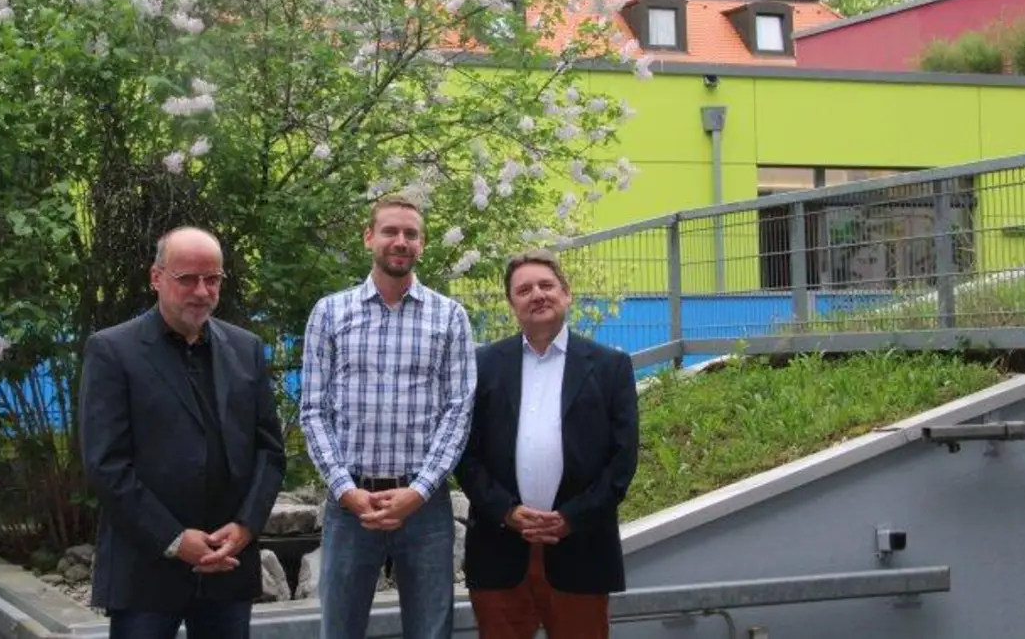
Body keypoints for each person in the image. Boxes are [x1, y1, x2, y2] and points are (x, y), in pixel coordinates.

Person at [80, 226, 286, 639]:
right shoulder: (113, 351)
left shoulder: (246, 348)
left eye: (212, 279)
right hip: (147, 569)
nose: (202, 290)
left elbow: (269, 450)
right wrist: (174, 539)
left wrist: (246, 526)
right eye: (187, 278)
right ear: (156, 278)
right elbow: (106, 464)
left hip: (230, 563)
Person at [300, 194, 478, 639]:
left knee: (431, 631)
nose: (401, 241)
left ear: (422, 243)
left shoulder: (450, 316)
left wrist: (417, 491)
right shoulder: (329, 313)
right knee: (339, 630)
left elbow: (459, 412)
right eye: (390, 232)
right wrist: (345, 489)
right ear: (368, 238)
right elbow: (313, 410)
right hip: (350, 506)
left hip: (425, 506)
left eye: (411, 234)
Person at [455, 250, 639, 639]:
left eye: (546, 285)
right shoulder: (482, 365)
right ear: (512, 304)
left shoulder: (610, 367)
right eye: (524, 289)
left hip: (582, 547)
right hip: (499, 549)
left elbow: (622, 462)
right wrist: (505, 511)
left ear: (567, 294)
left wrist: (572, 517)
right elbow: (464, 454)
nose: (536, 294)